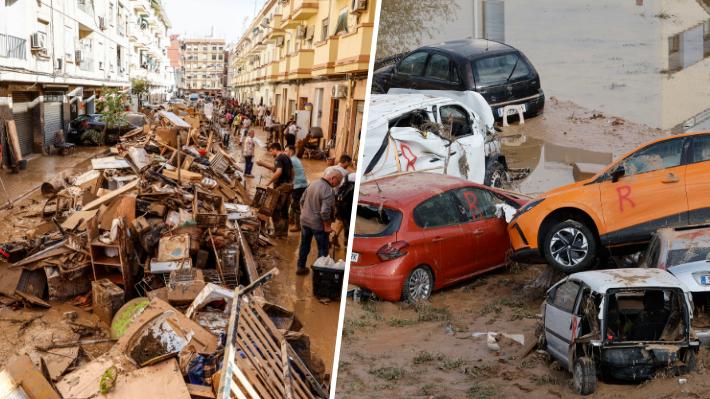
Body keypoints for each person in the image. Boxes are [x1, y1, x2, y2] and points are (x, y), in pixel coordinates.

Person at [296, 169, 343, 275]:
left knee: (304, 245)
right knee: (323, 249)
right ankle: (319, 273)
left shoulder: (312, 183)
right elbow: (325, 212)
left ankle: (300, 267)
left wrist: (305, 214)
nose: (338, 184)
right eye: (338, 182)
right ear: (333, 179)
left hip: (304, 221)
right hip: (318, 225)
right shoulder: (329, 190)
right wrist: (327, 226)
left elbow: (301, 201)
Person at [264, 143, 293, 238]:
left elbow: (278, 171)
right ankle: (284, 233)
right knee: (285, 210)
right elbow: (293, 172)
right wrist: (290, 183)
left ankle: (278, 233)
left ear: (274, 149)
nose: (271, 153)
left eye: (271, 151)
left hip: (280, 187)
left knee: (275, 209)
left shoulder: (279, 158)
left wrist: (268, 182)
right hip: (288, 187)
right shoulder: (287, 157)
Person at [286, 145, 308, 232]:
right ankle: (291, 220)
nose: (285, 153)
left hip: (298, 185)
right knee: (294, 203)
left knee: (296, 205)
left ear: (291, 151)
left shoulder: (291, 160)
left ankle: (297, 225)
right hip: (302, 184)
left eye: (286, 151)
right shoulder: (296, 159)